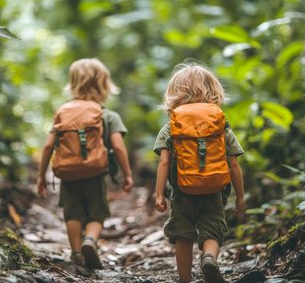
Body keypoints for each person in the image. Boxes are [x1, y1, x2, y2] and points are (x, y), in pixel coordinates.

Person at [36, 58, 133, 269]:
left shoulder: (63, 112)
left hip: (68, 175)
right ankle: (90, 239)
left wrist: (41, 175)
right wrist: (127, 175)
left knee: (73, 213)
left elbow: (48, 146)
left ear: (72, 83)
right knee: (97, 212)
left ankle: (76, 252)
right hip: (96, 174)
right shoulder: (107, 115)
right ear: (104, 85)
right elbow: (118, 146)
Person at [153, 63, 244, 283]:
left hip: (182, 192)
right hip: (215, 190)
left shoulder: (171, 128)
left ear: (174, 95)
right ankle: (210, 257)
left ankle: (184, 280)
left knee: (183, 236)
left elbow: (164, 163)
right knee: (213, 230)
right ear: (214, 92)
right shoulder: (221, 126)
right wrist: (240, 196)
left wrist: (159, 195)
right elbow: (234, 164)